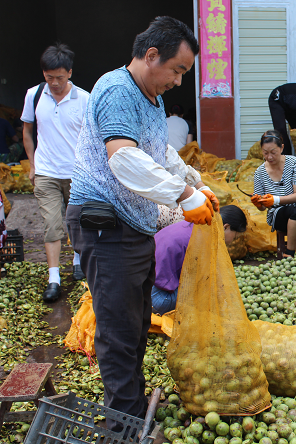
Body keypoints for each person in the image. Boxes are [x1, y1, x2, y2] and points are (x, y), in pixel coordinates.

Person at [65, 16, 216, 430]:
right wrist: (184, 198)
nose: (179, 81)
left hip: (132, 226)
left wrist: (194, 183)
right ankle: (123, 428)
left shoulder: (151, 98)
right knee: (117, 330)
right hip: (105, 224)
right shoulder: (116, 90)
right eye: (177, 70)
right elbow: (124, 159)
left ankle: (132, 410)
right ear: (151, 56)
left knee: (134, 322)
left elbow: (159, 152)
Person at [21, 43, 90, 299]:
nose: (55, 83)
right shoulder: (35, 95)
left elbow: (92, 138)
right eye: (49, 78)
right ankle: (53, 279)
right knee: (51, 225)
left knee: (77, 223)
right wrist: (32, 163)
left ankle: (76, 262)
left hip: (77, 174)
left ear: (69, 73)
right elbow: (27, 131)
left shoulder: (84, 99)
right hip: (46, 172)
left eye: (60, 78)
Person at [151, 205, 247, 314]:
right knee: (208, 291)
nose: (232, 242)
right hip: (156, 299)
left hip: (139, 289)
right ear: (226, 227)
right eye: (235, 237)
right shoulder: (203, 240)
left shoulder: (193, 224)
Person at [252, 130, 296, 258]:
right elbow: (262, 207)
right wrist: (258, 203)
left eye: (273, 152)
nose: (269, 157)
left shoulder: (294, 163)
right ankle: (289, 253)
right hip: (280, 214)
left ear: (282, 148)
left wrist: (275, 199)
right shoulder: (259, 173)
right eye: (265, 153)